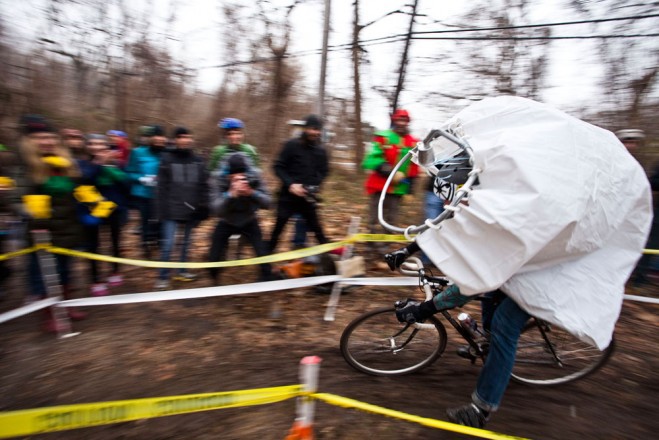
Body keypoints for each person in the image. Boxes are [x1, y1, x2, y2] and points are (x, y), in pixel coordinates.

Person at [385, 97, 651, 428]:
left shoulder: (508, 211)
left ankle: (482, 408)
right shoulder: (485, 194)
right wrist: (407, 251)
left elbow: (469, 284)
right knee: (490, 300)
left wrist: (422, 310)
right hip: (528, 255)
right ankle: (484, 343)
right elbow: (448, 223)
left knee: (505, 327)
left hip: (551, 268)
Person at [14, 115, 88, 332]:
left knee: (66, 271)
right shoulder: (25, 166)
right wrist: (29, 211)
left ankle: (66, 306)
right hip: (42, 230)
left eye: (48, 136)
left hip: (68, 227)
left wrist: (92, 203)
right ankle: (51, 315)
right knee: (46, 273)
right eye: (38, 137)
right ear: (28, 141)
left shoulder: (65, 162)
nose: (45, 141)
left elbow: (78, 189)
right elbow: (14, 198)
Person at [154, 127, 209, 290]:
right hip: (171, 208)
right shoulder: (167, 159)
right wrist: (160, 210)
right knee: (168, 244)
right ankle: (162, 275)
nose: (185, 140)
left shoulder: (198, 160)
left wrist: (203, 206)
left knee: (186, 243)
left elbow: (204, 184)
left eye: (187, 137)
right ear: (175, 140)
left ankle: (181, 270)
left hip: (192, 208)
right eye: (181, 137)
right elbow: (161, 187)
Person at [76, 133, 130, 294]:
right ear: (88, 147)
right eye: (93, 144)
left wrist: (113, 169)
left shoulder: (116, 165)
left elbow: (126, 186)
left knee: (115, 241)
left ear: (108, 148)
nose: (97, 147)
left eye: (101, 144)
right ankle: (95, 279)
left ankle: (115, 270)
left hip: (113, 208)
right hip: (91, 209)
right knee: (93, 244)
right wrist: (99, 163)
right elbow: (84, 181)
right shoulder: (82, 164)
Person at [268, 114, 329, 253]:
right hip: (287, 197)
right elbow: (278, 166)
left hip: (307, 198)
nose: (315, 132)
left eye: (318, 129)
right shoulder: (291, 145)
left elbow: (324, 171)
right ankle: (265, 261)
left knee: (317, 230)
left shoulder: (321, 150)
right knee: (278, 229)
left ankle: (330, 260)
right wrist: (291, 185)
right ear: (305, 128)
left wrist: (315, 185)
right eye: (312, 129)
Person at [207, 153, 272, 284]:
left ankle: (266, 276)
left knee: (262, 251)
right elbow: (214, 209)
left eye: (242, 175)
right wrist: (230, 194)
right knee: (214, 255)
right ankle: (214, 277)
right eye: (234, 177)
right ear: (228, 175)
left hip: (249, 219)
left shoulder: (255, 177)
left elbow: (268, 203)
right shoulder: (218, 180)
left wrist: (252, 193)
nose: (239, 179)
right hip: (226, 220)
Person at [362, 109, 420, 252]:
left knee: (391, 219)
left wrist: (410, 190)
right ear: (394, 120)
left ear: (407, 123)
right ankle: (370, 245)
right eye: (399, 120)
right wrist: (390, 172)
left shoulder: (414, 142)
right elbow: (372, 158)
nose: (401, 123)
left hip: (399, 188)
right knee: (374, 217)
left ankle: (384, 247)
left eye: (404, 121)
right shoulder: (383, 137)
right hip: (379, 185)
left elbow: (414, 167)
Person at [616, 129, 659, 285]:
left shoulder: (638, 161)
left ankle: (636, 277)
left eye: (633, 142)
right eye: (627, 142)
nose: (630, 145)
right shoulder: (612, 157)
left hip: (631, 208)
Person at [125, 124, 167, 259]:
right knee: (145, 221)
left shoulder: (166, 153)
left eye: (161, 135)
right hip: (144, 194)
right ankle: (145, 245)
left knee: (160, 220)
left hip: (161, 194)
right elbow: (129, 173)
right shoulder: (137, 153)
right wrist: (142, 178)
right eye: (156, 136)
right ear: (150, 138)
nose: (159, 139)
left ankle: (159, 242)